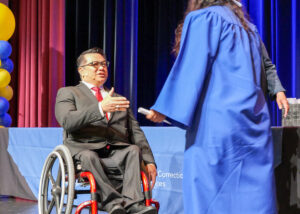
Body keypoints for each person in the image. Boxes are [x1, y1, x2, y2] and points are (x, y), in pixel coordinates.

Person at [146, 0, 279, 213]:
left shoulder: (204, 18)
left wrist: (166, 106)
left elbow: (192, 65)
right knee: (254, 193)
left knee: (208, 189)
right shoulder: (249, 28)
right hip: (253, 120)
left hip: (217, 122)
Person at [55, 47, 157, 214]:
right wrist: (100, 108)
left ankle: (134, 205)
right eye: (94, 64)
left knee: (132, 150)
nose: (101, 68)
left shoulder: (117, 98)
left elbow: (135, 132)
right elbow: (67, 121)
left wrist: (149, 160)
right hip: (84, 150)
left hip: (115, 152)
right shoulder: (69, 93)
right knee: (89, 155)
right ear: (82, 71)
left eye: (104, 64)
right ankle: (112, 204)